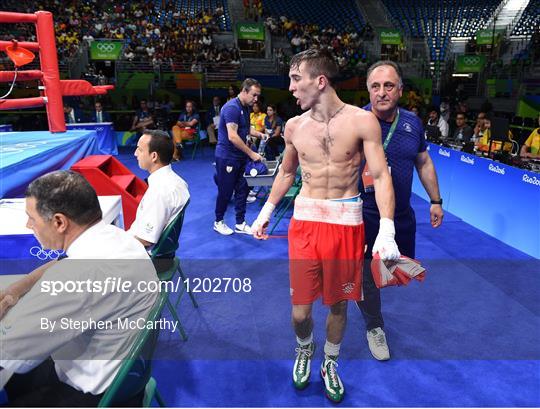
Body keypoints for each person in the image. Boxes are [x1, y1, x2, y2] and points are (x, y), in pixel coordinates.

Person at [252, 50, 400, 403]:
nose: (289, 88)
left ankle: (330, 363)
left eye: (295, 79)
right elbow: (287, 172)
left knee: (338, 303)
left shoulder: (362, 122)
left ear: (320, 81)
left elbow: (379, 175)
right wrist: (266, 211)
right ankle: (305, 348)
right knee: (300, 310)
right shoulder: (293, 126)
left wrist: (387, 227)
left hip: (346, 225)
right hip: (304, 223)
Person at [0, 170, 158, 406]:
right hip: (126, 377)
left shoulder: (74, 278)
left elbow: (10, 354)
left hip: (91, 393)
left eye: (32, 218)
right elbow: (64, 261)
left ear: (59, 222)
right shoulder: (121, 238)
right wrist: (18, 288)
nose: (28, 224)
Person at [357, 60, 443, 362]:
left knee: (396, 267)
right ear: (368, 89)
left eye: (389, 85)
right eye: (375, 86)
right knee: (367, 273)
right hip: (365, 213)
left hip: (403, 214)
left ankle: (367, 291)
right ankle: (374, 325)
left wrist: (436, 200)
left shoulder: (411, 123)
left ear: (401, 90)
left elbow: (423, 161)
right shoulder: (355, 121)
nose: (382, 92)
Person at [214, 78, 263, 236]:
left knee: (243, 190)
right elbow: (233, 137)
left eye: (258, 96)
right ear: (244, 91)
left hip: (240, 156)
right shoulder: (232, 108)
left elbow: (246, 128)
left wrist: (261, 134)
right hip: (227, 156)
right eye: (254, 95)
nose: (256, 99)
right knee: (226, 191)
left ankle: (240, 223)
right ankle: (218, 221)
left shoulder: (246, 107)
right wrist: (252, 154)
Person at [128, 129, 190, 253]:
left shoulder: (159, 192)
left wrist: (118, 243)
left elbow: (146, 240)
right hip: (161, 252)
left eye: (139, 149)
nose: (135, 153)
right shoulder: (179, 182)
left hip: (146, 258)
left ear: (154, 156)